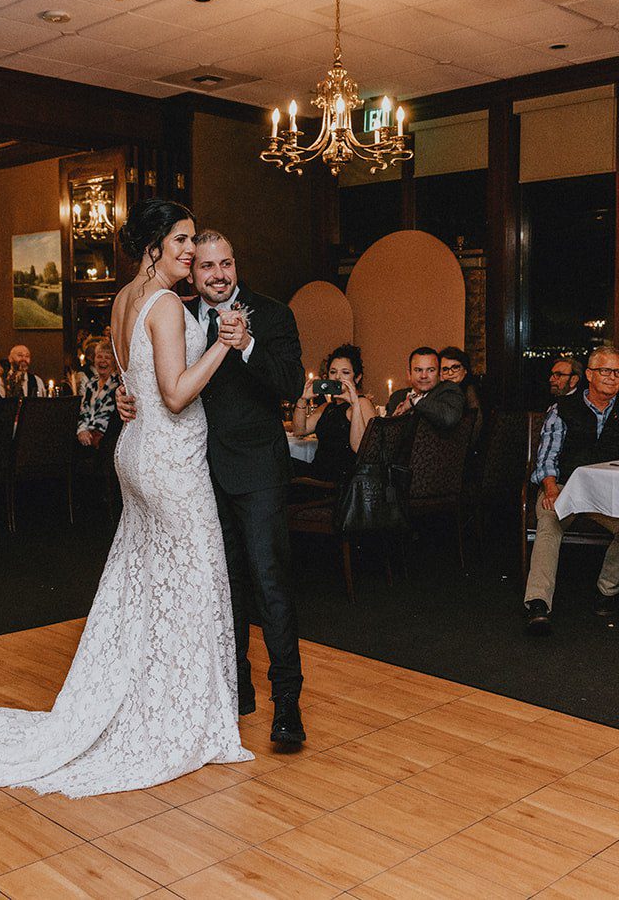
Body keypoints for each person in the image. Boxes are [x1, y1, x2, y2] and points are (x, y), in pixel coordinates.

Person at [0, 197, 251, 797]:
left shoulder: (125, 299)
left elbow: (127, 380)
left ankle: (143, 698)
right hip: (170, 460)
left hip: (136, 454)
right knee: (191, 583)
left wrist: (123, 398)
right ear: (154, 245)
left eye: (195, 240)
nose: (192, 251)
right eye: (182, 240)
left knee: (143, 587)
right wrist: (222, 342)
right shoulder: (167, 304)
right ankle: (179, 718)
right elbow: (172, 393)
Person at [177, 228, 307, 743]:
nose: (218, 275)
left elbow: (292, 383)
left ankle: (287, 704)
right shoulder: (183, 317)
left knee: (270, 585)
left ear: (236, 264)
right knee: (223, 588)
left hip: (258, 474)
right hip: (199, 473)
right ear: (193, 272)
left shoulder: (272, 314)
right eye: (207, 267)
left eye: (225, 264)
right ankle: (237, 690)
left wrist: (248, 344)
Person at [523, 346, 619, 635]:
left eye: (617, 372)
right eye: (605, 371)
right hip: (563, 488)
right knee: (548, 523)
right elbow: (546, 457)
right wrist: (549, 489)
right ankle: (538, 604)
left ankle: (606, 592)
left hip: (605, 496)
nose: (612, 377)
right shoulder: (563, 409)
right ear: (590, 375)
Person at [291, 344, 374, 483]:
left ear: (357, 378)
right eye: (333, 372)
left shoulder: (362, 404)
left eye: (345, 372)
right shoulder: (327, 407)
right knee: (280, 461)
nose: (338, 377)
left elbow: (362, 448)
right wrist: (303, 399)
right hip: (319, 473)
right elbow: (299, 430)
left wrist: (355, 404)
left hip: (340, 481)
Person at [385, 347, 465, 430]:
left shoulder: (448, 390)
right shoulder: (397, 397)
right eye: (418, 370)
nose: (424, 376)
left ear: (440, 373)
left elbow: (449, 418)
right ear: (409, 374)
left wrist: (414, 401)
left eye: (430, 370)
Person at [76, 339, 120, 449]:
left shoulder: (118, 385)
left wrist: (97, 435)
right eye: (99, 357)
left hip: (108, 440)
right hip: (87, 437)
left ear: (114, 361)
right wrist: (82, 431)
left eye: (107, 357)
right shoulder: (91, 383)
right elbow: (84, 411)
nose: (103, 361)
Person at [439, 345, 483, 435]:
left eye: (455, 367)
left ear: (465, 369)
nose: (450, 373)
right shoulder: (440, 391)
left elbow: (477, 424)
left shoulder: (470, 390)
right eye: (445, 369)